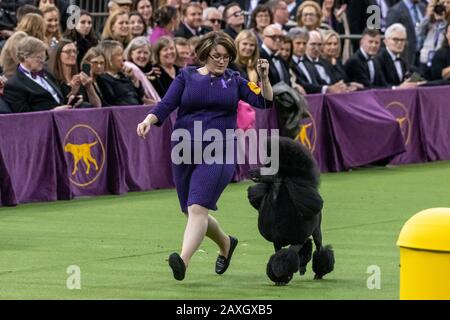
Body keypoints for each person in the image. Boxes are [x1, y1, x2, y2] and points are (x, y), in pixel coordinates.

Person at [136, 31, 274, 281]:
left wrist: (264, 78)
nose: (222, 61)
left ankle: (183, 261)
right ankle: (225, 243)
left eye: (226, 57)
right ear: (204, 54)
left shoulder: (235, 79)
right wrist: (148, 120)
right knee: (191, 212)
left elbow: (264, 102)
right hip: (184, 148)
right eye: (217, 56)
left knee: (198, 207)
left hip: (220, 149)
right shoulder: (186, 76)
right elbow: (166, 104)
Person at [3, 36, 80, 112]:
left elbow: (57, 100)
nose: (43, 61)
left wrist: (70, 100)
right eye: (39, 57)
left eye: (44, 57)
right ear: (25, 57)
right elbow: (24, 117)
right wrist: (52, 112)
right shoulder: (14, 85)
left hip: (64, 116)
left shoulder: (47, 72)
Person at [49, 39, 102, 107]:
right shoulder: (52, 80)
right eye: (68, 52)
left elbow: (98, 105)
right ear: (58, 54)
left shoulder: (81, 78)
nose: (73, 54)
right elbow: (60, 106)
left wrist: (89, 86)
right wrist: (73, 92)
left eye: (75, 51)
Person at [96, 40, 145, 106]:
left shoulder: (124, 76)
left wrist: (133, 78)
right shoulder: (103, 79)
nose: (124, 58)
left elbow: (140, 96)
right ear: (108, 57)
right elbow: (111, 101)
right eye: (119, 55)